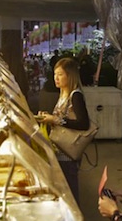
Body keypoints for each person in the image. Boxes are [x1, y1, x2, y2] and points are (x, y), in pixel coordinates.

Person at [38, 58, 90, 202]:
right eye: (55, 74)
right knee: (64, 192)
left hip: (68, 153)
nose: (56, 78)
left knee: (71, 194)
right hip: (59, 150)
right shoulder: (63, 94)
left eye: (60, 74)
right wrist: (47, 117)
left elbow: (83, 123)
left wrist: (55, 120)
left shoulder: (76, 96)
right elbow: (62, 116)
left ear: (70, 75)